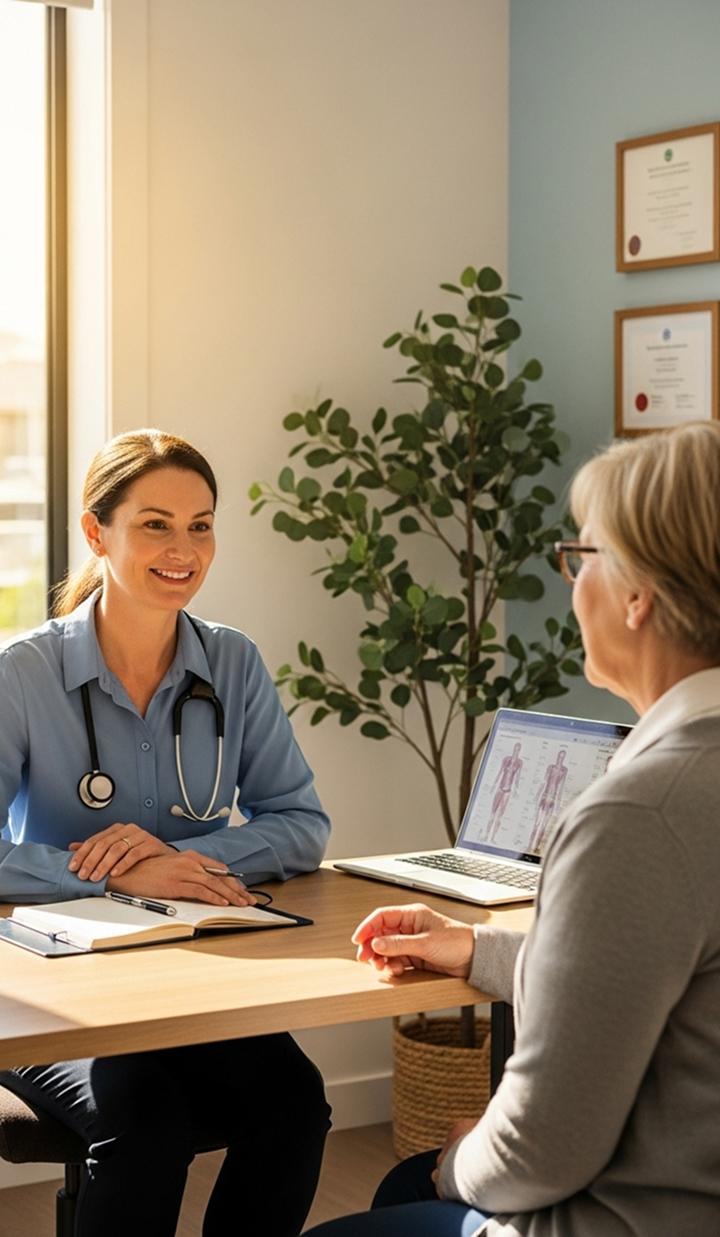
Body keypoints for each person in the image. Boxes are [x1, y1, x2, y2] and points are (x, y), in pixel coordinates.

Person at [305, 421, 720, 1237]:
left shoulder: (636, 814)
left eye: (583, 556)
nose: (572, 585)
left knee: (391, 1198)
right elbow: (667, 975)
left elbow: (541, 1149)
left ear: (637, 595)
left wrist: (455, 1156)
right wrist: (480, 949)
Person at [0, 429, 332, 1237]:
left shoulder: (233, 664)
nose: (184, 548)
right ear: (95, 531)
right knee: (145, 1128)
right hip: (51, 992)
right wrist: (110, 876)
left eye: (201, 524)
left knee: (294, 1106)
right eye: (155, 523)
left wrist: (180, 861)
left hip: (189, 980)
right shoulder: (23, 673)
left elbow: (301, 822)